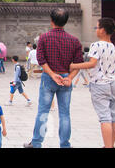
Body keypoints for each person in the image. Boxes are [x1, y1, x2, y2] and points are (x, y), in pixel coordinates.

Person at [24, 8, 83, 148]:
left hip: (49, 78)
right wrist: (69, 77)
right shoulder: (74, 41)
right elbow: (78, 64)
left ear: (51, 21)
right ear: (66, 22)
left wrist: (51, 74)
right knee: (64, 113)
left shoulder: (43, 38)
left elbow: (41, 59)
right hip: (65, 79)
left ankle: (37, 142)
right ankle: (65, 144)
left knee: (43, 112)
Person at [70, 17, 115, 148]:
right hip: (113, 84)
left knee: (105, 118)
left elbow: (92, 64)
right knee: (114, 117)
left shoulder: (96, 45)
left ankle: (107, 146)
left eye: (97, 27)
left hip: (100, 84)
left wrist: (73, 66)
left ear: (102, 30)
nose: (96, 30)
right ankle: (111, 145)